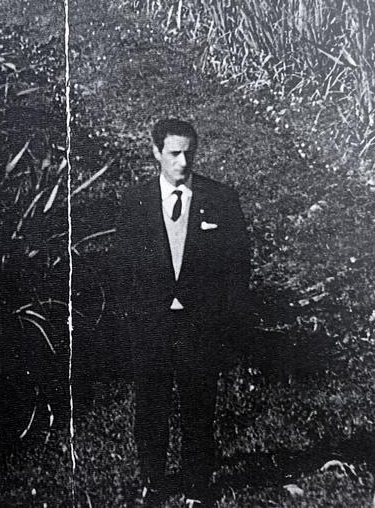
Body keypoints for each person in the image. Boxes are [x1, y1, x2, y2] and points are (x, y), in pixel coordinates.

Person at [113, 118, 251, 507]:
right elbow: (121, 266)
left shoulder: (220, 198)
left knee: (199, 403)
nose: (183, 161)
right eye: (173, 153)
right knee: (151, 403)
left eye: (189, 152)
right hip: (152, 322)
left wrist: (228, 321)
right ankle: (153, 481)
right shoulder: (135, 200)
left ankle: (197, 485)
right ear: (156, 152)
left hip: (200, 322)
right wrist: (133, 316)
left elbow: (238, 265)